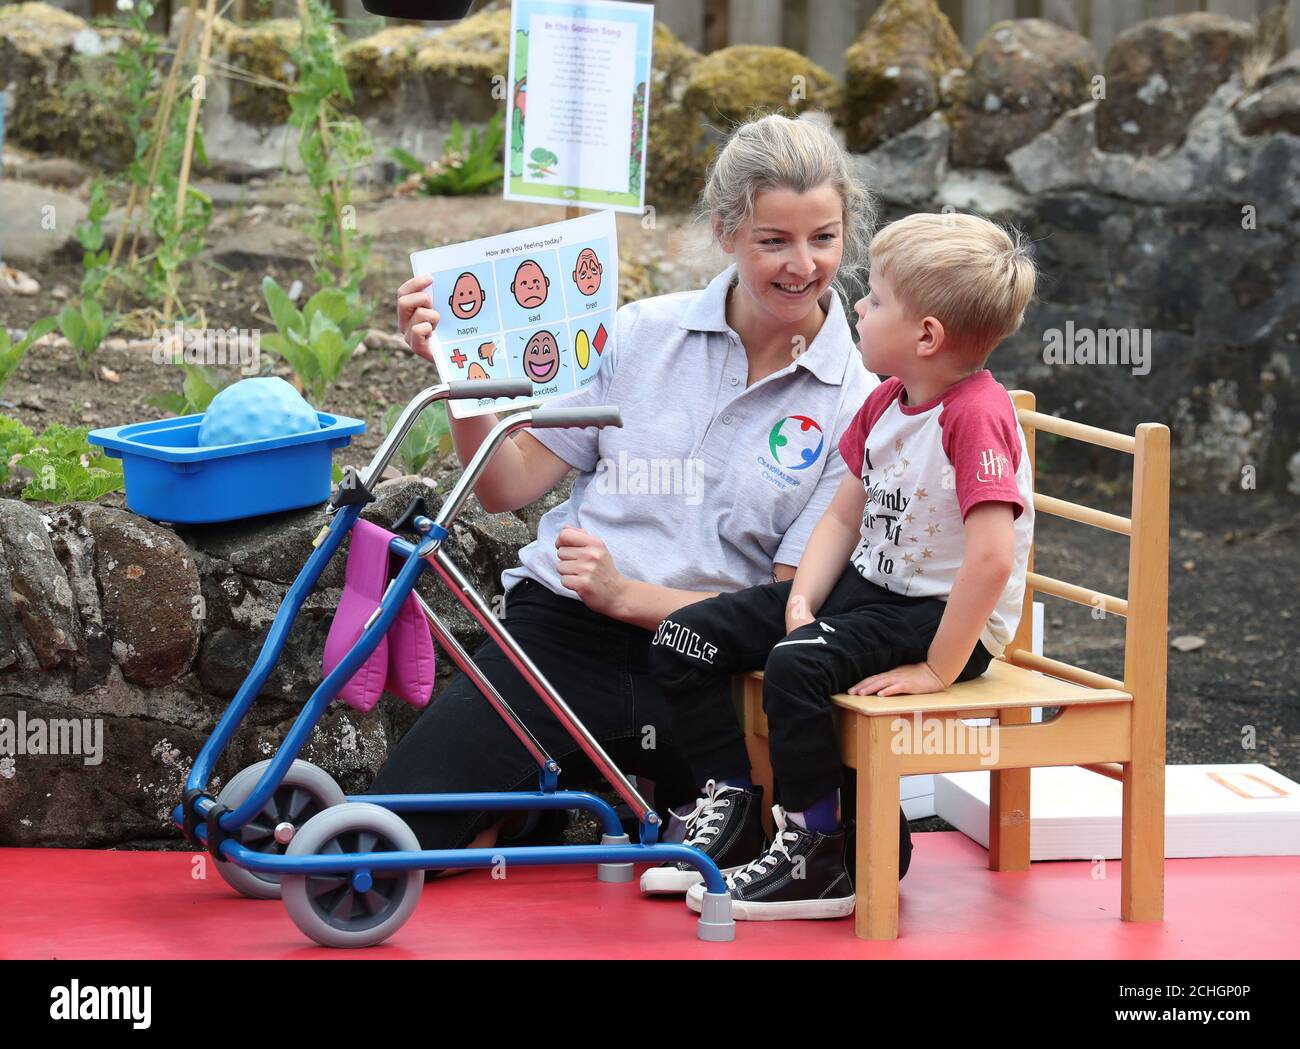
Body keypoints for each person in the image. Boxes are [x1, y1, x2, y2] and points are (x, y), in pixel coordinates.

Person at [364, 113, 890, 860]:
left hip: (709, 672)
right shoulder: (643, 332)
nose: (801, 265)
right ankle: (529, 807)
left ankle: (542, 802)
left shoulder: (856, 404)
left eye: (824, 238)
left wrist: (629, 597)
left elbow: (786, 606)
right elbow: (505, 487)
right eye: (774, 240)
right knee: (395, 838)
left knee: (726, 862)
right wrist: (462, 373)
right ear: (726, 231)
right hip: (563, 637)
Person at [646, 212, 1039, 920]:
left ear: (927, 336)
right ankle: (735, 810)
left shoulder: (975, 414)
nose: (857, 304)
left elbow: (990, 559)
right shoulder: (886, 400)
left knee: (796, 667)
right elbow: (841, 517)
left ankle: (819, 852)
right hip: (868, 589)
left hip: (941, 617)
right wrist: (803, 597)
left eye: (878, 298)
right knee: (685, 637)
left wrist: (941, 666)